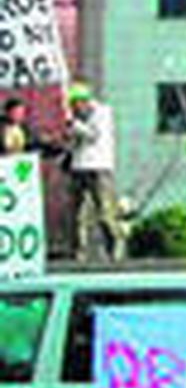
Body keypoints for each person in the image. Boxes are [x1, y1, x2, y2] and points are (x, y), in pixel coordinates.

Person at [64, 82, 122, 261]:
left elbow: (93, 135)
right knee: (77, 214)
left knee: (104, 212)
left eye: (75, 104)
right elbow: (75, 141)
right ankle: (78, 252)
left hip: (99, 167)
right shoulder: (77, 118)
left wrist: (74, 125)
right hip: (78, 167)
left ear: (84, 101)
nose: (74, 109)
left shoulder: (102, 113)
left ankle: (114, 248)